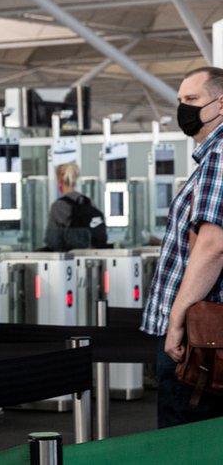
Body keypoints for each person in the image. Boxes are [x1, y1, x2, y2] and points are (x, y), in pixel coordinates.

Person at [142, 66, 223, 428]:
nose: (183, 109)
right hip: (205, 336)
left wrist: (176, 321)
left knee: (185, 444)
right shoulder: (209, 158)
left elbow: (213, 246)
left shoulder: (220, 155)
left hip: (199, 339)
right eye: (179, 100)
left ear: (220, 104)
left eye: (192, 100)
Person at [43, 162, 107, 252]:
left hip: (70, 258)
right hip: (91, 257)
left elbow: (52, 240)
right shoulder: (88, 202)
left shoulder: (58, 206)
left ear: (59, 181)